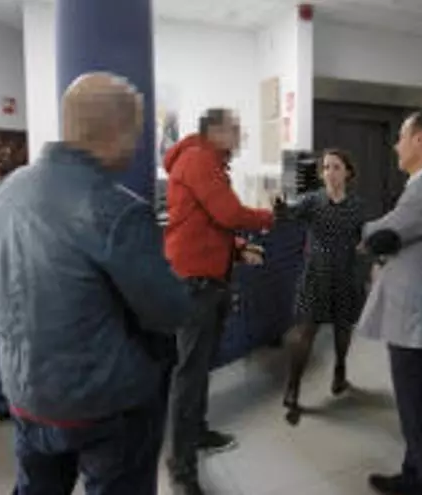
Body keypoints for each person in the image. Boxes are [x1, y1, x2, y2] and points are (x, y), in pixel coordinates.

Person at [0, 72, 189, 495]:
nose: (136, 146)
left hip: (27, 393)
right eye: (136, 133)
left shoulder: (2, 195)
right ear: (117, 130)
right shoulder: (117, 210)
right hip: (107, 402)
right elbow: (168, 311)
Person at [163, 108, 276, 495]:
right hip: (195, 284)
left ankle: (196, 433)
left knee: (199, 368)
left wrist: (238, 247)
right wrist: (270, 217)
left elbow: (209, 222)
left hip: (208, 280)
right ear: (214, 131)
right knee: (190, 374)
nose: (240, 134)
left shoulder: (208, 161)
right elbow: (227, 213)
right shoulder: (198, 159)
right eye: (235, 129)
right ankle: (181, 467)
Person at [360, 111, 422, 495]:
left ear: (421, 139)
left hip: (417, 321)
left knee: (419, 421)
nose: (395, 146)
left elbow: (385, 232)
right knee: (421, 408)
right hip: (420, 315)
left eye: (401, 137)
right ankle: (413, 478)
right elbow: (397, 230)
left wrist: (355, 231)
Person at [281, 149, 365, 426]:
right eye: (326, 167)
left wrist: (372, 262)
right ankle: (292, 388)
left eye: (336, 167)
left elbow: (364, 239)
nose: (330, 172)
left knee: (343, 328)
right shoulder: (312, 201)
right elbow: (289, 214)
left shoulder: (357, 206)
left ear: (348, 173)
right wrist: (279, 207)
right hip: (316, 275)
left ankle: (340, 369)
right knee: (304, 332)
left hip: (346, 274)